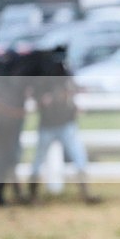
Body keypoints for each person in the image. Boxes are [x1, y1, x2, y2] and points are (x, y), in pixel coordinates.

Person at [29, 73, 100, 204]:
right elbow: (35, 96)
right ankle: (33, 196)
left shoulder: (65, 76)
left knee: (79, 157)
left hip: (65, 124)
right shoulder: (42, 79)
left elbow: (74, 90)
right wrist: (43, 99)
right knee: (39, 160)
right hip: (49, 125)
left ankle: (86, 193)